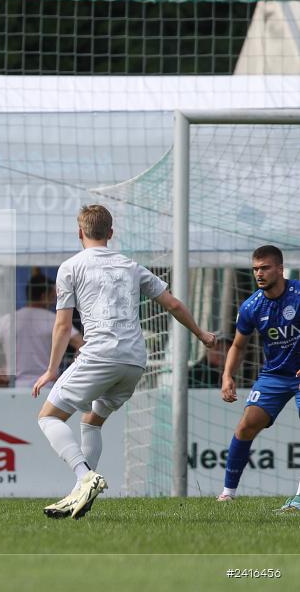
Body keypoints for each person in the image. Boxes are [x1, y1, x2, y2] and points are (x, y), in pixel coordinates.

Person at [32, 205, 215, 519]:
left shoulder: (71, 267)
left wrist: (51, 369)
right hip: (134, 361)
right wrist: (201, 334)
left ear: (80, 233)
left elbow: (63, 326)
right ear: (111, 234)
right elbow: (172, 304)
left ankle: (84, 477)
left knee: (48, 418)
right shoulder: (131, 266)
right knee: (91, 420)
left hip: (99, 354)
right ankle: (80, 496)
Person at [216, 245, 300, 513]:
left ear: (280, 268)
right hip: (275, 374)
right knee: (246, 426)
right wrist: (228, 376)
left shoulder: (299, 295)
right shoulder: (252, 306)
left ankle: (299, 498)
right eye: (255, 269)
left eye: (264, 268)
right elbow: (238, 346)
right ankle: (228, 494)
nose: (259, 274)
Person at [0, 272, 84, 389]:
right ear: (44, 296)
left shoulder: (8, 319)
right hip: (46, 385)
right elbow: (81, 344)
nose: (55, 301)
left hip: (14, 386)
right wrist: (68, 373)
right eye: (54, 296)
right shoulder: (53, 320)